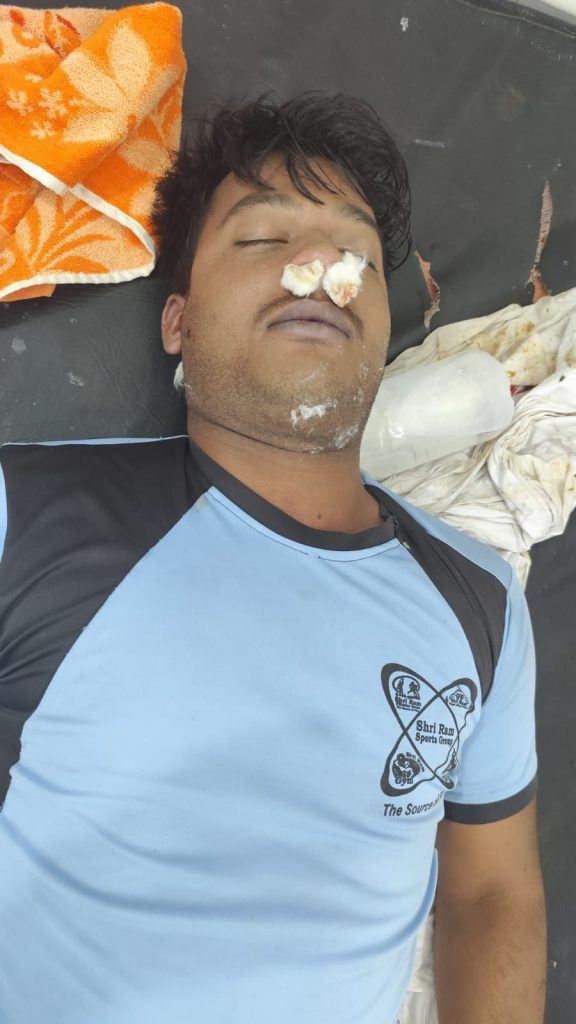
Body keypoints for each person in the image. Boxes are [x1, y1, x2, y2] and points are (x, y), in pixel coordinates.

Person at [0, 93, 546, 1024]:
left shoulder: (480, 604)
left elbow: (493, 894)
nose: (321, 270)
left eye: (356, 254)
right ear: (177, 322)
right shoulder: (27, 517)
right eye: (262, 239)